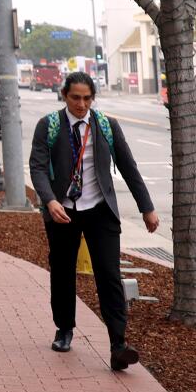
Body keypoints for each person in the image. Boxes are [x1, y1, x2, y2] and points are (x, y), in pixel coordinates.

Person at [28, 71, 159, 371]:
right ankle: (64, 329)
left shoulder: (105, 126)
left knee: (109, 276)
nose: (81, 104)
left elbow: (128, 166)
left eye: (87, 98)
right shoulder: (48, 126)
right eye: (76, 98)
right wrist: (50, 201)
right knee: (62, 271)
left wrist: (146, 207)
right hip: (63, 211)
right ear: (64, 96)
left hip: (100, 210)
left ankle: (118, 344)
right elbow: (36, 167)